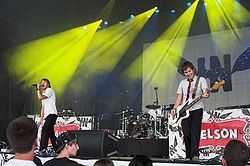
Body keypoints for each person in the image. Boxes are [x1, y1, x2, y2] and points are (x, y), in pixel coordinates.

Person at [171, 61, 210, 160]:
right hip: (184, 111)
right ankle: (188, 155)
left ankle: (195, 155)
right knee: (187, 133)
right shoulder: (182, 83)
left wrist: (206, 94)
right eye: (186, 72)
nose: (188, 73)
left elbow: (205, 92)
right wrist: (175, 108)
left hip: (197, 109)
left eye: (189, 71)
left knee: (195, 132)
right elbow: (179, 96)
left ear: (193, 70)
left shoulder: (201, 80)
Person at [36, 78, 58, 155]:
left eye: (44, 82)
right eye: (41, 83)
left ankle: (42, 149)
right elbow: (43, 108)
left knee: (45, 130)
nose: (43, 84)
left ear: (48, 84)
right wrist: (41, 119)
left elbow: (40, 97)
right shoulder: (44, 94)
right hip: (48, 116)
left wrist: (38, 89)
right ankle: (57, 149)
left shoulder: (49, 90)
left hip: (52, 114)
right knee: (51, 133)